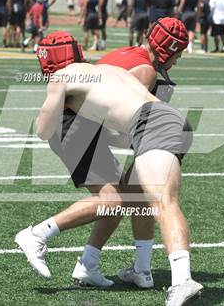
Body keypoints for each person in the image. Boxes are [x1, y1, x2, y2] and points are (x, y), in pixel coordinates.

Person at [16, 30, 203, 305]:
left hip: (150, 125)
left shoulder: (61, 77)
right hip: (173, 122)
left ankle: (181, 281)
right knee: (139, 195)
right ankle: (140, 270)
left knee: (161, 202)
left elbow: (43, 131)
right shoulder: (103, 69)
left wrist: (55, 101)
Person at [71, 17, 189, 289]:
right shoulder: (145, 71)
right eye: (177, 56)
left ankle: (134, 269)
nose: (176, 62)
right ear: (167, 50)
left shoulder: (128, 52)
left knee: (134, 192)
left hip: (80, 126)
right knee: (118, 198)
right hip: (81, 130)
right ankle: (41, 235)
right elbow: (119, 115)